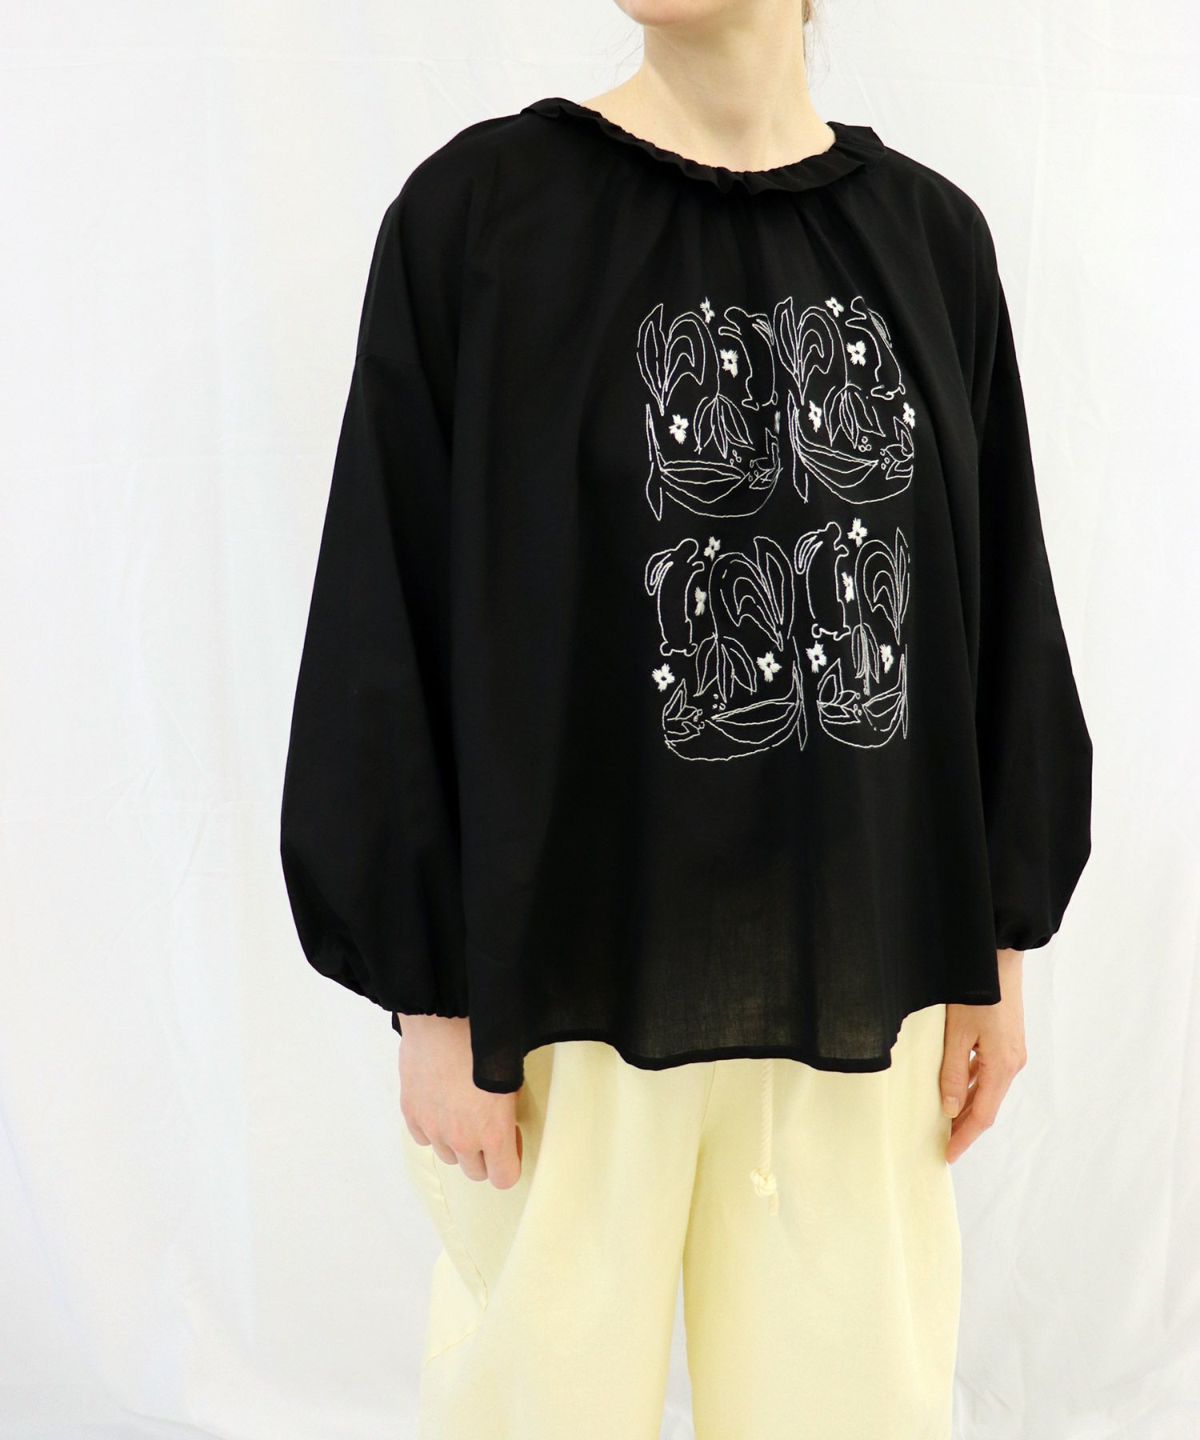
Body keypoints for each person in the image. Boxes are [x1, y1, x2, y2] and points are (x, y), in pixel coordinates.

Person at [279, 1, 1093, 1434]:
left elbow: (993, 606)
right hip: (564, 995)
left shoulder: (930, 243)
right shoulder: (482, 224)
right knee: (536, 1404)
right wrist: (430, 996)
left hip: (863, 979)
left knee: (853, 1407)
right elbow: (384, 604)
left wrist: (998, 952)